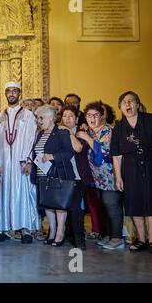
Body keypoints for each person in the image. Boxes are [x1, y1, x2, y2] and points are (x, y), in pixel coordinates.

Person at [0, 82, 40, 243]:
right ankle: (2, 229)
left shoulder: (28, 115)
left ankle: (26, 230)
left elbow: (32, 139)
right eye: (9, 91)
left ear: (19, 93)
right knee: (3, 193)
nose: (11, 94)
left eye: (15, 91)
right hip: (3, 163)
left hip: (21, 162)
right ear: (5, 94)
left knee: (23, 194)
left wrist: (28, 160)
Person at [77, 101, 124, 250]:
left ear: (102, 116)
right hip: (96, 179)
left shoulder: (108, 131)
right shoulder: (90, 132)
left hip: (110, 176)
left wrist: (86, 137)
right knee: (102, 208)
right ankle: (107, 235)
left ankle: (117, 238)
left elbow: (103, 151)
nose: (92, 118)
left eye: (95, 115)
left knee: (112, 206)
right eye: (89, 115)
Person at [31, 105, 80, 247]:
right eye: (38, 118)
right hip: (42, 175)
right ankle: (52, 232)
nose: (39, 121)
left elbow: (69, 152)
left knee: (59, 205)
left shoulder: (61, 132)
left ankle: (60, 233)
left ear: (52, 118)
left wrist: (52, 156)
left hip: (59, 174)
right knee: (48, 204)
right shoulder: (40, 134)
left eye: (42, 118)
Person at [111, 91, 152, 252]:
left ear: (137, 104)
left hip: (149, 165)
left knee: (150, 204)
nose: (128, 104)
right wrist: (118, 178)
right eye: (124, 102)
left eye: (131, 101)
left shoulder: (149, 120)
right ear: (120, 107)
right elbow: (116, 156)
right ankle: (141, 239)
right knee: (135, 205)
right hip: (130, 169)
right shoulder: (119, 128)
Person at [60, 105, 92, 249]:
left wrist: (70, 133)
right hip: (63, 176)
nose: (67, 118)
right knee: (64, 206)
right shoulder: (58, 132)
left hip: (79, 177)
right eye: (65, 115)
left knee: (74, 206)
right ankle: (69, 234)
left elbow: (79, 148)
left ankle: (79, 239)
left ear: (77, 119)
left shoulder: (81, 133)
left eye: (71, 115)